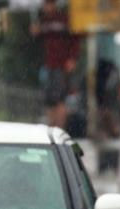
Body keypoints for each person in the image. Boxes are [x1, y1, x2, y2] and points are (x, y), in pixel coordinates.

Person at [31, 0, 82, 129]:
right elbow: (37, 41)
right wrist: (35, 32)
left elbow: (76, 39)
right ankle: (51, 125)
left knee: (59, 99)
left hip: (62, 66)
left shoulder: (64, 19)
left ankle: (59, 128)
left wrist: (72, 58)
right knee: (49, 100)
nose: (47, 7)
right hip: (48, 65)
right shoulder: (43, 21)